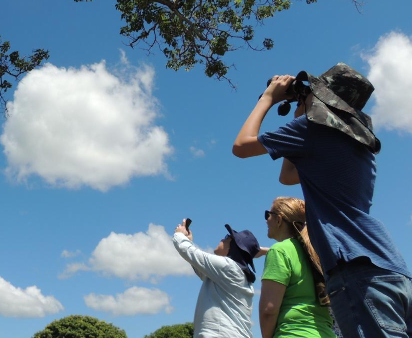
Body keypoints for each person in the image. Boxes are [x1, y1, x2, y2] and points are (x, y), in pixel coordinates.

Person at [233, 63, 412, 337]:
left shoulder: (312, 131)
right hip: (392, 269)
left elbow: (241, 146)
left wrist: (268, 98)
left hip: (355, 270)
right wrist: (302, 115)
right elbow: (289, 176)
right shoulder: (361, 144)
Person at [173, 219, 265, 338]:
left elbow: (189, 252)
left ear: (234, 247)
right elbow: (200, 267)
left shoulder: (227, 267)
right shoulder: (234, 273)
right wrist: (189, 241)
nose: (222, 239)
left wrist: (179, 234)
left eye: (227, 237)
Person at [260, 196, 335, 338]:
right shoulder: (318, 253)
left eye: (268, 215)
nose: (266, 220)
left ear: (279, 219)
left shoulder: (279, 251)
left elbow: (268, 310)